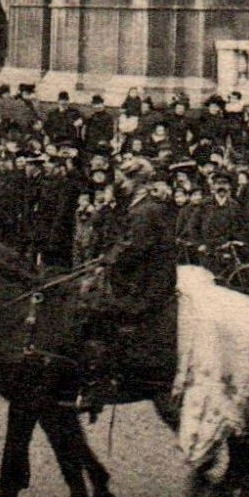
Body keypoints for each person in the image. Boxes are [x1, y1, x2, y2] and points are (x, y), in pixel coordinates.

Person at [78, 158, 179, 409]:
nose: (118, 182)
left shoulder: (145, 210)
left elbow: (134, 247)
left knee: (99, 310)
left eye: (122, 177)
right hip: (144, 277)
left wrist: (106, 262)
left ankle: (101, 382)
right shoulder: (141, 206)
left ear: (135, 180)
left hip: (148, 284)